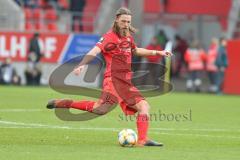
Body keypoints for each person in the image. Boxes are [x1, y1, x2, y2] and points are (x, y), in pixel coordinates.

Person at [46, 7, 172, 147]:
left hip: (125, 82)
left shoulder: (128, 37)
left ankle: (142, 140)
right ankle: (65, 103)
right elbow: (94, 51)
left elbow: (136, 51)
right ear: (117, 19)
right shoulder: (108, 37)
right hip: (113, 80)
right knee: (100, 110)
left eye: (128, 22)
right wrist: (82, 65)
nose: (126, 24)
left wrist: (158, 52)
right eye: (123, 21)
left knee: (144, 106)